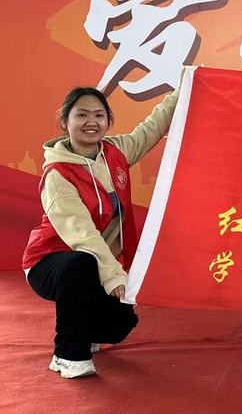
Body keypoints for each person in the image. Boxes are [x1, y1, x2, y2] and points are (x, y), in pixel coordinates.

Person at [22, 85, 179, 378]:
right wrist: (112, 274)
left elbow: (154, 126)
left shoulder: (115, 152)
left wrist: (185, 87)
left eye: (98, 115)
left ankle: (84, 328)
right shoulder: (57, 174)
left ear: (108, 121)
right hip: (50, 261)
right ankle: (67, 355)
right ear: (65, 121)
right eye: (81, 115)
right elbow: (82, 235)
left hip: (94, 264)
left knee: (120, 325)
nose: (91, 122)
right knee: (80, 264)